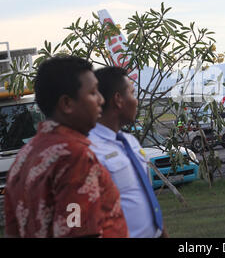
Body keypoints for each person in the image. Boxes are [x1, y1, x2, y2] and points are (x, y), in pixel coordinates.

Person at [4, 56, 129, 238]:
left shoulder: (24, 158)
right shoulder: (73, 156)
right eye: (93, 92)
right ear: (67, 104)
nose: (101, 100)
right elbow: (78, 230)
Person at [88, 66, 169, 238]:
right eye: (132, 93)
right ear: (118, 100)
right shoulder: (90, 150)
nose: (136, 101)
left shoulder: (130, 141)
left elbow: (144, 192)